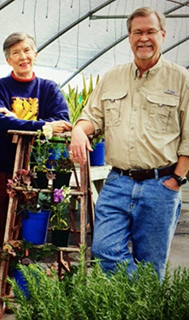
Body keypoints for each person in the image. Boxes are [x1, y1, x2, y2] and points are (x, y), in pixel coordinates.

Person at [70, 7, 189, 279]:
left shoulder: (181, 79)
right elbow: (92, 117)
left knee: (152, 263)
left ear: (163, 35)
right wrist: (79, 130)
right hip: (117, 182)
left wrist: (176, 181)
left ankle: (143, 305)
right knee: (104, 250)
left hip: (161, 185)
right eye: (138, 32)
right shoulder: (113, 76)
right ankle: (148, 294)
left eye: (150, 32)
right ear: (129, 37)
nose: (143, 38)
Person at [0, 32, 72, 303]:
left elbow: (63, 121)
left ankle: (23, 290)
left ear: (36, 54)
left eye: (27, 50)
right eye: (16, 52)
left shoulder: (48, 88)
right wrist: (42, 125)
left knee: (26, 233)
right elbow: (0, 123)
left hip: (31, 174)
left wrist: (16, 120)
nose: (23, 56)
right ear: (8, 58)